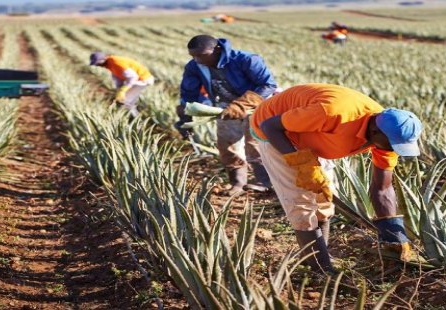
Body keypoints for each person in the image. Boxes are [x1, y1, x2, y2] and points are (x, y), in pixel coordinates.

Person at [250, 84, 423, 274]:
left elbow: (382, 189)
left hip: (312, 133)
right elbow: (270, 126)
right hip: (275, 132)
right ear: (375, 132)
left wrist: (394, 233)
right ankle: (318, 269)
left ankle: (319, 257)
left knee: (324, 196)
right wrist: (301, 163)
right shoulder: (333, 113)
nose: (393, 150)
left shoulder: (388, 136)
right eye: (393, 145)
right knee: (302, 202)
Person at [178, 34, 277, 195]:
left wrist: (241, 105)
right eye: (193, 56)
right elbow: (189, 91)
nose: (197, 59)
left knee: (254, 144)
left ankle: (264, 181)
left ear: (216, 49)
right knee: (227, 145)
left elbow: (268, 84)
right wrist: (185, 115)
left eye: (201, 55)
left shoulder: (246, 59)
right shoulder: (195, 66)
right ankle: (237, 183)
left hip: (255, 105)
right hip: (224, 107)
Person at [89, 52, 154, 117]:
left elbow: (133, 77)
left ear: (103, 59)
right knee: (128, 102)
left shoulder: (115, 62)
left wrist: (122, 90)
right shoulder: (110, 64)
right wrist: (119, 89)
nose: (97, 65)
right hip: (137, 80)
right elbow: (117, 77)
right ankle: (135, 118)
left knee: (125, 101)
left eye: (97, 63)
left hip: (142, 80)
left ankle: (136, 120)